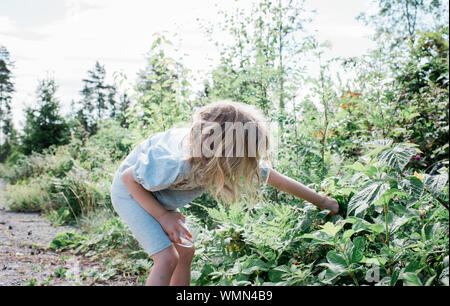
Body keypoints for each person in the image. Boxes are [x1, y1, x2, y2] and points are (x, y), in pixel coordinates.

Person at [110, 100, 339, 286]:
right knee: (167, 258)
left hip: (159, 196)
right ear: (224, 156)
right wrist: (162, 216)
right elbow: (129, 178)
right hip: (131, 194)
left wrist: (324, 202)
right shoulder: (177, 163)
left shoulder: (217, 154)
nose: (248, 166)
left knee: (186, 252)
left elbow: (275, 178)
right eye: (244, 160)